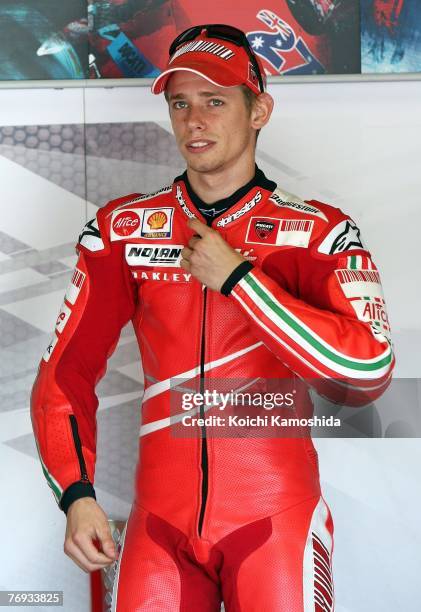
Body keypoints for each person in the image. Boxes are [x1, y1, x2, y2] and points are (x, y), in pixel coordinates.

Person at [30, 24, 394, 611]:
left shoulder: (318, 232)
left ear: (260, 110)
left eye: (215, 101)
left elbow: (365, 374)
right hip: (159, 527)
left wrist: (239, 280)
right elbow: (65, 373)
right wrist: (76, 494)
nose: (194, 120)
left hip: (275, 520)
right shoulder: (124, 229)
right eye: (181, 103)